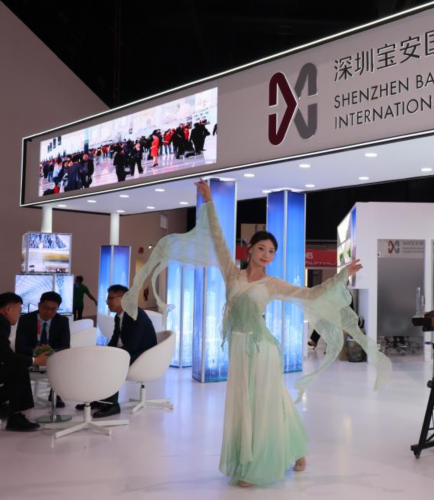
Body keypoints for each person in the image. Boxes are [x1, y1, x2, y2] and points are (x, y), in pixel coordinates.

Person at [121, 179, 390, 487]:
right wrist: (208, 202)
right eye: (262, 248)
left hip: (262, 349)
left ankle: (258, 465)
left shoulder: (271, 284)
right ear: (249, 249)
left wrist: (341, 276)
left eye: (271, 251)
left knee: (264, 404)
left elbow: (310, 294)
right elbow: (218, 237)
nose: (266, 254)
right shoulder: (231, 273)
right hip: (238, 349)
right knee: (249, 405)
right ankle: (293, 451)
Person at [75, 285, 156, 418]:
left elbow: (133, 345)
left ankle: (112, 405)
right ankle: (100, 399)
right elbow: (115, 339)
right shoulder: (119, 316)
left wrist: (113, 356)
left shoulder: (135, 315)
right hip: (130, 351)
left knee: (111, 364)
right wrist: (105, 352)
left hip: (143, 355)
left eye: (110, 298)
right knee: (98, 360)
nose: (107, 302)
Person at [0, 293, 49, 431]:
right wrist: (35, 360)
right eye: (18, 311)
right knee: (19, 368)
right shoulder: (2, 322)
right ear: (8, 309)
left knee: (16, 368)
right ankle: (16, 418)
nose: (19, 315)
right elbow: (5, 355)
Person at [15, 291, 70, 408]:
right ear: (39, 305)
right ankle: (24, 401)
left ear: (58, 308)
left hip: (52, 357)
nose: (49, 312)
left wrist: (50, 353)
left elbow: (65, 345)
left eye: (53, 309)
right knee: (19, 363)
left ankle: (55, 394)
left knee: (64, 360)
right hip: (32, 356)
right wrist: (36, 352)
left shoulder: (63, 321)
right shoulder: (25, 319)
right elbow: (20, 346)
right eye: (45, 308)